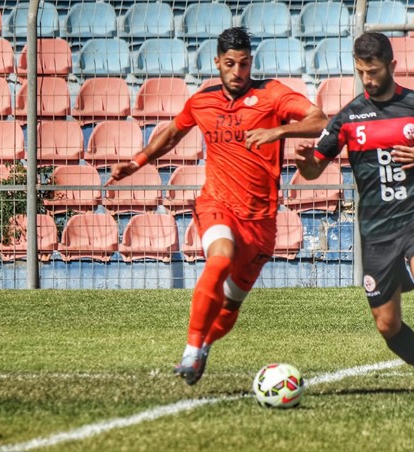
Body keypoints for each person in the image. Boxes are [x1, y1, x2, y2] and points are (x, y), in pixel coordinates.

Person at [108, 27, 328, 385]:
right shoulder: (202, 101)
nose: (237, 72)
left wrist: (279, 131)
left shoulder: (272, 95)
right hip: (217, 203)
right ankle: (190, 350)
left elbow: (320, 120)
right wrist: (137, 162)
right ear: (217, 63)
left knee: (230, 305)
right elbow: (173, 133)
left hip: (261, 220)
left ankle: (204, 348)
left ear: (250, 62)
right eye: (230, 64)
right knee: (219, 259)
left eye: (244, 64)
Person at [294, 32, 414, 400]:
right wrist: (304, 161)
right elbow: (313, 170)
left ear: (391, 66)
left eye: (373, 71)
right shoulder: (348, 117)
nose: (367, 79)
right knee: (387, 325)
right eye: (361, 72)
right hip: (376, 231)